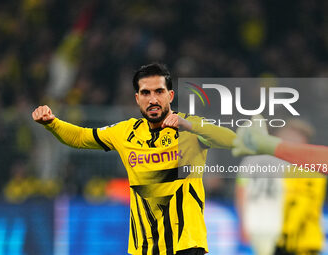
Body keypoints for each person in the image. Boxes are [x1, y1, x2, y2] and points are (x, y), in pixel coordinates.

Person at [32, 63, 236, 255]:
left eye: (159, 91)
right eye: (146, 93)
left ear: (170, 95)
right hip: (144, 248)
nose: (153, 99)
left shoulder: (190, 126)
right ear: (137, 98)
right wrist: (52, 123)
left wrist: (190, 126)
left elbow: (233, 140)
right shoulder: (125, 132)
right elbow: (81, 137)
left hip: (185, 244)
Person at [233, 116, 326, 255]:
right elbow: (241, 189)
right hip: (274, 232)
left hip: (297, 235)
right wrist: (243, 223)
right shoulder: (261, 161)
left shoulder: (308, 168)